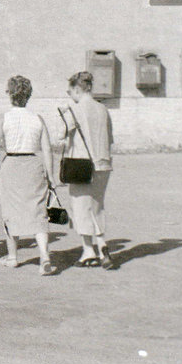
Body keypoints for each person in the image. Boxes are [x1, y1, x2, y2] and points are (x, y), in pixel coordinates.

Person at [0, 75, 58, 276]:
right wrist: (50, 174)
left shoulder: (3, 118)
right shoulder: (37, 119)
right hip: (33, 165)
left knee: (11, 211)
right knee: (38, 210)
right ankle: (44, 256)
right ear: (28, 95)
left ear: (10, 94)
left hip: (11, 164)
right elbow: (47, 149)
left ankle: (13, 257)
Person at [61, 71, 116, 269]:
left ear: (77, 89)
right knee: (97, 206)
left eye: (70, 92)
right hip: (103, 163)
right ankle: (102, 245)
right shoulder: (103, 109)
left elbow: (62, 135)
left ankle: (89, 250)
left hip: (81, 164)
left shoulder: (73, 109)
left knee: (80, 207)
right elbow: (110, 139)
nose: (70, 96)